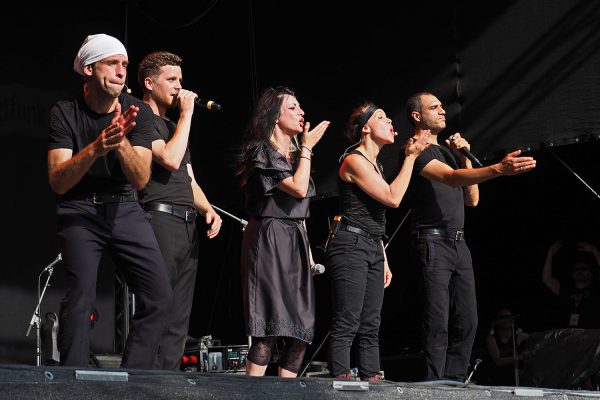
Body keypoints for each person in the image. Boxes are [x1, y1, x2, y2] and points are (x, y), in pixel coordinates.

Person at [47, 34, 172, 368]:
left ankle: (134, 381)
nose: (121, 71)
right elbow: (58, 181)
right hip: (79, 208)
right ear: (89, 68)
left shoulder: (138, 112)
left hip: (125, 207)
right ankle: (72, 382)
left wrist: (120, 144)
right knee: (81, 298)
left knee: (158, 297)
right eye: (112, 63)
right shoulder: (65, 113)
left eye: (125, 65)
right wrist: (97, 147)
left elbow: (141, 178)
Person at [405, 91, 536, 381]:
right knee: (437, 320)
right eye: (434, 107)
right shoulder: (417, 149)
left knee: (469, 319)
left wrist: (464, 157)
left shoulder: (448, 153)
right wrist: (499, 169)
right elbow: (450, 179)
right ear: (417, 116)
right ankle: (434, 385)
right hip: (432, 241)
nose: (442, 111)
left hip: (458, 243)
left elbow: (471, 199)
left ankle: (453, 380)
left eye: (442, 106)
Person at [324, 102, 429, 381]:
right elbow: (393, 199)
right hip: (350, 245)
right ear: (366, 128)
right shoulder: (354, 160)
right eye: (382, 117)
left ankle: (371, 375)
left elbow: (375, 218)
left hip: (371, 244)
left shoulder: (377, 165)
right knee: (348, 319)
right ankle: (341, 377)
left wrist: (383, 257)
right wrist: (409, 158)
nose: (390, 120)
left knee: (371, 321)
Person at [137, 51, 223, 371]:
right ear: (149, 82)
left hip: (187, 221)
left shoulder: (173, 124)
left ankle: (169, 383)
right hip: (159, 217)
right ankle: (146, 382)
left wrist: (209, 210)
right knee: (158, 308)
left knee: (179, 319)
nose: (179, 87)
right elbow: (169, 159)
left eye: (180, 81)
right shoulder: (141, 116)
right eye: (171, 80)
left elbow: (187, 177)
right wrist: (187, 115)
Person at [237, 86, 330, 377]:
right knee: (271, 327)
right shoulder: (261, 151)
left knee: (301, 331)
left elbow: (302, 203)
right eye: (292, 107)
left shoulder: (293, 156)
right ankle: (253, 395)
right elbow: (299, 189)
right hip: (270, 237)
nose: (301, 112)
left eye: (300, 107)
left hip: (296, 239)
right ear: (275, 116)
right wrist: (307, 148)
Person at [542, 241, 600, 329]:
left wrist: (595, 251)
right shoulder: (566, 290)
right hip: (568, 338)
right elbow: (547, 278)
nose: (579, 271)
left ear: (590, 274)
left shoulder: (596, 290)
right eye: (576, 269)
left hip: (591, 338)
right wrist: (550, 253)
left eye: (583, 269)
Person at [484, 308, 529, 386]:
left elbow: (536, 340)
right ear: (497, 321)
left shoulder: (519, 336)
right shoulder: (491, 339)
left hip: (517, 378)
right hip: (498, 379)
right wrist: (519, 357)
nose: (508, 319)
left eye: (509, 317)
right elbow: (498, 361)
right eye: (504, 317)